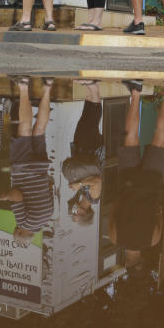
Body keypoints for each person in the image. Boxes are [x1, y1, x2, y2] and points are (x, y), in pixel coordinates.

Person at [109, 79, 164, 269]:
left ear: (141, 258)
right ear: (126, 260)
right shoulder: (115, 239)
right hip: (127, 182)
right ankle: (136, 92)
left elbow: (159, 210)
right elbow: (114, 205)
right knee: (130, 136)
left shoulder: (153, 240)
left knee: (160, 137)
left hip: (151, 183)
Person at [1, 77, 56, 244]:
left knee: (39, 128)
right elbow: (17, 195)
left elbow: (49, 187)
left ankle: (47, 88)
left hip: (40, 167)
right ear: (19, 232)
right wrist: (6, 197)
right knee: (24, 128)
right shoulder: (23, 222)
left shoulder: (48, 217)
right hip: (23, 168)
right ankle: (23, 86)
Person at [62, 80, 105, 224]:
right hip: (91, 152)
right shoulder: (94, 198)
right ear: (83, 212)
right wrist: (79, 184)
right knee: (91, 122)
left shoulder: (82, 195)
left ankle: (90, 89)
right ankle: (95, 88)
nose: (74, 210)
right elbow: (97, 181)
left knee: (85, 120)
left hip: (81, 151)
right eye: (76, 213)